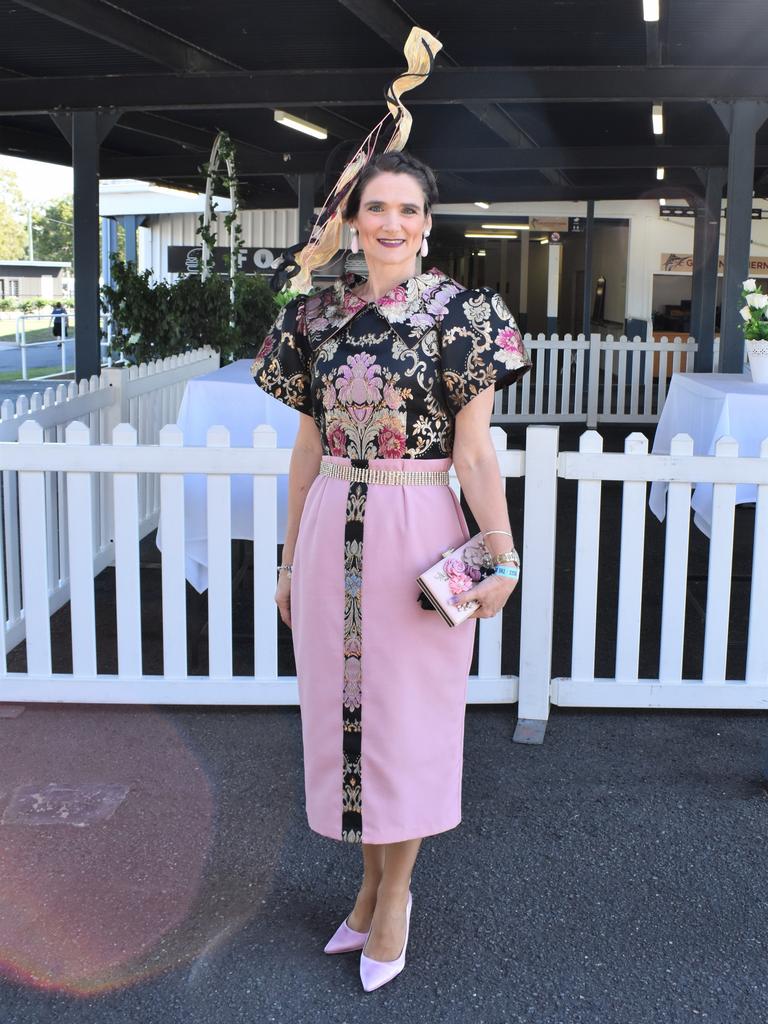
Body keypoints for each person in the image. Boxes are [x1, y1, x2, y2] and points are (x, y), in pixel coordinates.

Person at [251, 149, 532, 992]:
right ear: (352, 218)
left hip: (418, 525)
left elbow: (476, 454)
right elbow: (306, 450)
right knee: (351, 721)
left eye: (408, 210)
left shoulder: (467, 315)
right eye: (377, 207)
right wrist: (287, 557)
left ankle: (396, 892)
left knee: (407, 724)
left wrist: (504, 555)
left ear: (428, 222)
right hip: (333, 517)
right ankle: (369, 886)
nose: (392, 224)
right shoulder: (313, 317)